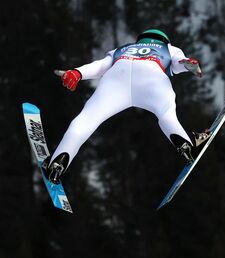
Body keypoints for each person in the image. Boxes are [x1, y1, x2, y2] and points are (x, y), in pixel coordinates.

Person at [45, 29, 209, 183]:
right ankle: (186, 146)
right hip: (152, 78)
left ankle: (58, 162)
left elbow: (100, 66)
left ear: (139, 40)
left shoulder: (123, 48)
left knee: (87, 119)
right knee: (166, 114)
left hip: (117, 78)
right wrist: (189, 64)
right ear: (165, 40)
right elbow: (179, 64)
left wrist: (77, 73)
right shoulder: (169, 48)